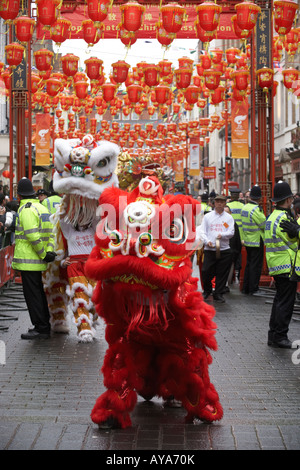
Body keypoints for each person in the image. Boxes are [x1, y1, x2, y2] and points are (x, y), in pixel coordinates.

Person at [12, 177, 57, 340]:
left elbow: (32, 235)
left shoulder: (26, 210)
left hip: (29, 261)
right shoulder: (42, 208)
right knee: (38, 293)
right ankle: (43, 325)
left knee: (33, 296)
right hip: (38, 260)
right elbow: (50, 234)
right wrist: (49, 252)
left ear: (19, 195)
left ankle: (41, 328)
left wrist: (43, 254)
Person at [264, 181, 298, 349]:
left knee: (279, 301)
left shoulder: (272, 216)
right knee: (285, 303)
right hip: (287, 265)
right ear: (289, 199)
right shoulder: (285, 218)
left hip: (276, 264)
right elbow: (293, 242)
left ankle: (273, 334)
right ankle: (280, 336)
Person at [197, 194, 235, 303]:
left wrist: (222, 235)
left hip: (224, 249)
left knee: (222, 273)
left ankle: (218, 293)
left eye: (221, 202)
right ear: (214, 203)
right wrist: (206, 241)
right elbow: (202, 231)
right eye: (217, 201)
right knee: (206, 271)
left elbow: (231, 232)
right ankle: (207, 291)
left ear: (224, 204)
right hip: (210, 249)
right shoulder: (208, 217)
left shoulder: (228, 218)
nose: (219, 203)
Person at [241, 185, 266, 295]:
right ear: (259, 198)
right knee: (255, 266)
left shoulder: (245, 207)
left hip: (247, 240)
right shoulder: (256, 210)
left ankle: (246, 288)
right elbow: (264, 224)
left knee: (249, 265)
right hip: (256, 240)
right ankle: (253, 289)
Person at [227, 187, 244, 282]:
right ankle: (239, 275)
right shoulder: (243, 206)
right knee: (239, 256)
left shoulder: (227, 206)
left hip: (230, 236)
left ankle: (231, 277)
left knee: (229, 257)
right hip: (241, 236)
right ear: (238, 196)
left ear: (231, 195)